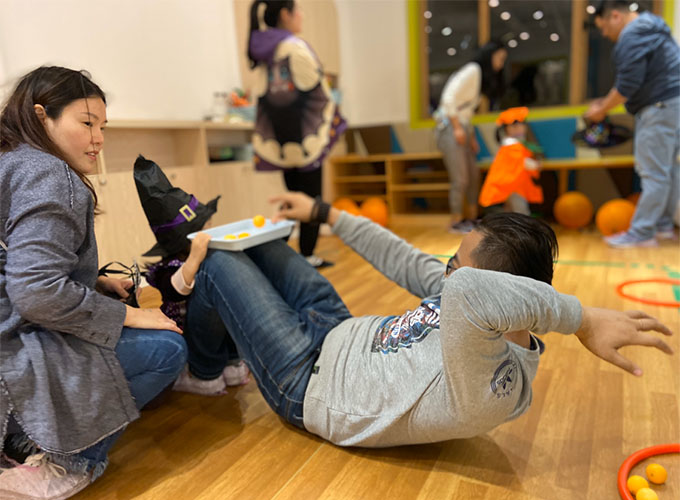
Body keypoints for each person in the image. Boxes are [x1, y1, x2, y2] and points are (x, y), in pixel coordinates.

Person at [182, 191, 673, 447]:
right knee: (257, 240)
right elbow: (403, 258)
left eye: (456, 266)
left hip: (307, 382)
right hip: (335, 328)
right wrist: (324, 211)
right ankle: (229, 358)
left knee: (217, 262)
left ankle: (206, 371)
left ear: (498, 289)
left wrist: (581, 319)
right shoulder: (469, 294)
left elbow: (464, 288)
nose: (446, 273)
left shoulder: (489, 387)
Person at [0, 66, 187, 500]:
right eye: (86, 123)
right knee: (166, 350)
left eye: (103, 126)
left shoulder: (11, 161)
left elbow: (17, 260)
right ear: (42, 116)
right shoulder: (50, 176)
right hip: (13, 352)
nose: (98, 138)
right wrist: (131, 314)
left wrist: (94, 279)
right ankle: (63, 460)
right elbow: (36, 291)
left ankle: (20, 436)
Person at [134, 156, 249, 395]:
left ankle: (233, 364)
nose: (210, 233)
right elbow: (177, 290)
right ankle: (203, 375)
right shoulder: (167, 269)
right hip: (193, 340)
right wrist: (195, 258)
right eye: (204, 230)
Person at [247, 0, 346, 268]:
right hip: (305, 137)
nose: (301, 15)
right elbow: (317, 89)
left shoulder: (265, 53)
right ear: (285, 14)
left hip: (280, 138)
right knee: (311, 202)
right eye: (297, 10)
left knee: (292, 198)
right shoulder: (294, 47)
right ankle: (307, 255)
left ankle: (278, 256)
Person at [585, 0, 680, 248]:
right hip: (673, 105)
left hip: (658, 107)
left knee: (654, 172)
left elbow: (627, 86)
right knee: (668, 169)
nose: (605, 34)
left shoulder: (633, 35)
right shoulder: (654, 28)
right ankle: (663, 227)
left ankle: (642, 232)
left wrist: (600, 109)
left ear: (616, 16)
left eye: (604, 27)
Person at [435, 40, 508, 234]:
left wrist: (472, 136)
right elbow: (449, 98)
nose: (501, 63)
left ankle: (473, 219)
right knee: (460, 178)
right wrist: (457, 128)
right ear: (490, 56)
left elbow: (466, 113)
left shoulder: (479, 79)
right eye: (500, 58)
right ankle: (455, 221)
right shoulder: (472, 70)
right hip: (449, 126)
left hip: (463, 127)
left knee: (473, 176)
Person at [479, 106, 543, 215]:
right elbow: (523, 162)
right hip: (512, 186)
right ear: (506, 129)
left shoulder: (512, 144)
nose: (519, 128)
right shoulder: (512, 146)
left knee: (510, 212)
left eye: (522, 124)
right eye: (515, 126)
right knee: (521, 212)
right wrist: (536, 165)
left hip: (513, 185)